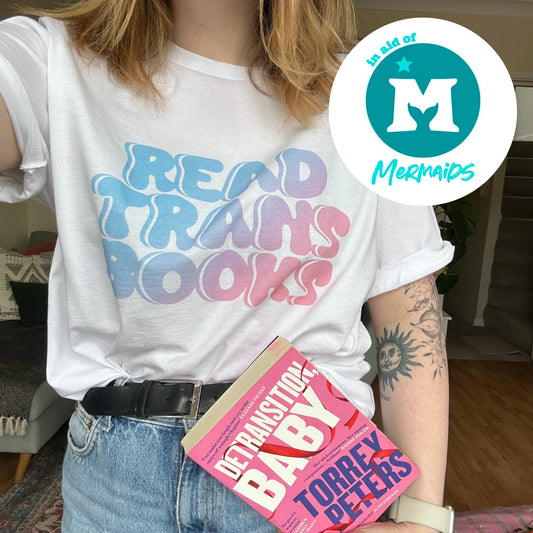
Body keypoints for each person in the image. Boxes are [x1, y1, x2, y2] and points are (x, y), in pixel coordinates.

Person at [0, 1, 453, 531]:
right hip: (118, 464)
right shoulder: (48, 60)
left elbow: (408, 314)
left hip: (302, 462)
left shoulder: (372, 100)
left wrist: (424, 517)